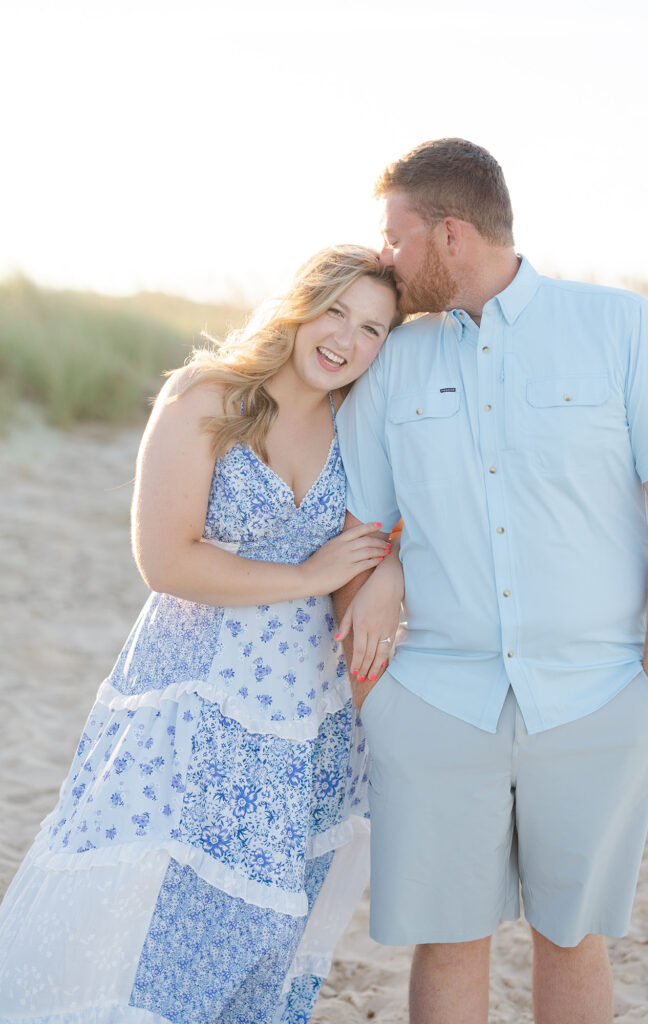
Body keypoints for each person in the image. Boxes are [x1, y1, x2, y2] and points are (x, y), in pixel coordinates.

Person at [333, 139, 648, 1024]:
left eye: (394, 240)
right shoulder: (392, 362)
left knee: (572, 934)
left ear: (449, 235)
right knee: (447, 939)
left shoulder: (622, 328)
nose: (382, 261)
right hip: (435, 699)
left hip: (599, 698)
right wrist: (378, 701)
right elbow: (359, 531)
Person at [0, 245, 404, 1023]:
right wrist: (305, 578)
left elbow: (397, 532)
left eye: (373, 329)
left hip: (303, 713)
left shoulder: (361, 426)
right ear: (300, 304)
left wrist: (386, 574)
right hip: (193, 696)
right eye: (336, 312)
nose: (346, 340)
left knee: (264, 914)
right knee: (161, 890)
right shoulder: (206, 397)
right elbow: (165, 560)